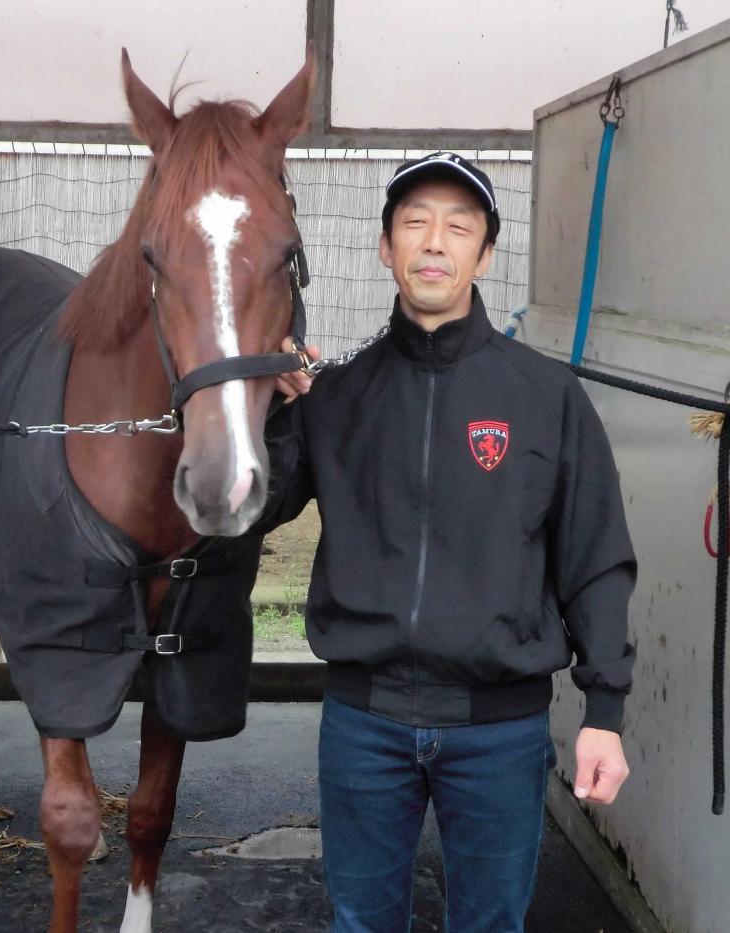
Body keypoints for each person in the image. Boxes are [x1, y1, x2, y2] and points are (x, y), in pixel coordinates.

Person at [262, 151, 636, 933]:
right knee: (362, 923)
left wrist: (605, 708)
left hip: (499, 731)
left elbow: (595, 557)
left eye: (458, 227)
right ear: (385, 246)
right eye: (415, 223)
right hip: (365, 724)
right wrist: (267, 407)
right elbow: (250, 508)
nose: (435, 242)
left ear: (485, 253)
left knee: (491, 925)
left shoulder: (546, 397)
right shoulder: (338, 397)